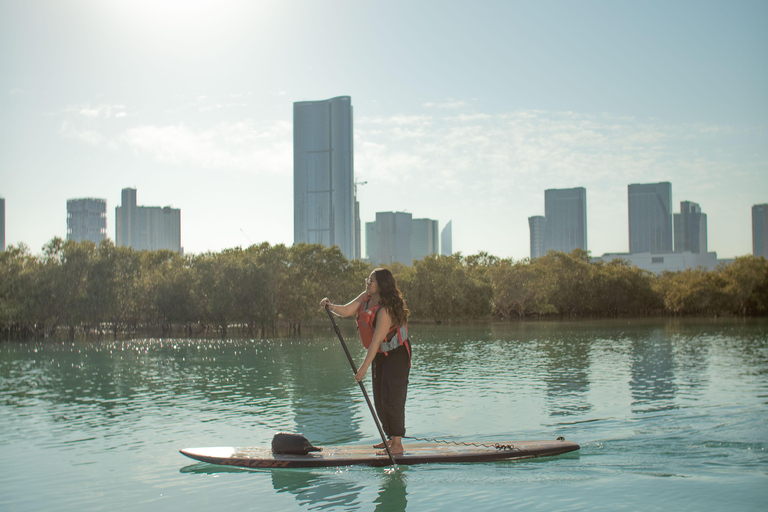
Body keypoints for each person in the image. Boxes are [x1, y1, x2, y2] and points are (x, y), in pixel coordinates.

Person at [320, 268, 412, 455]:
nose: (367, 283)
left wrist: (363, 368)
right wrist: (331, 306)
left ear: (381, 285)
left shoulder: (385, 310)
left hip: (397, 355)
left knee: (391, 397)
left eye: (371, 281)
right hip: (379, 353)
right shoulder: (366, 297)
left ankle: (397, 444)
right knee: (379, 398)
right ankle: (389, 438)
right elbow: (346, 310)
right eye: (368, 279)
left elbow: (377, 340)